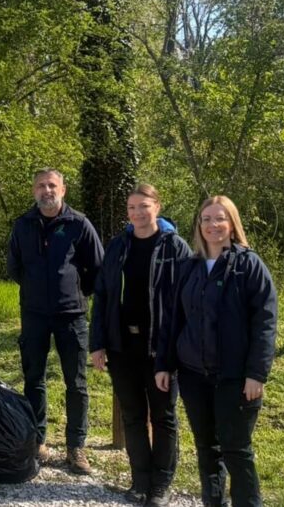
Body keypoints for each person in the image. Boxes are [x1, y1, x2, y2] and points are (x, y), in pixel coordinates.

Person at [155, 196, 278, 507]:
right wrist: (164, 365)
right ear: (199, 225)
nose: (212, 225)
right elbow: (173, 321)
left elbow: (265, 324)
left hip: (235, 378)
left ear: (232, 224)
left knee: (236, 449)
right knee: (206, 447)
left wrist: (256, 374)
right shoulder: (189, 267)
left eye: (220, 218)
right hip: (194, 375)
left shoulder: (249, 265)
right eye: (206, 219)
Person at [90, 184, 191, 506]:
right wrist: (98, 343)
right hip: (122, 347)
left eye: (143, 206)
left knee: (163, 417)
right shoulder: (118, 246)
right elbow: (103, 296)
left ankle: (161, 485)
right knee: (133, 416)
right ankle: (139, 480)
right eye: (131, 207)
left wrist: (178, 350)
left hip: (160, 349)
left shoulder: (175, 247)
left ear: (157, 208)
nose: (136, 213)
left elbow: (188, 302)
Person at [7, 168, 104, 474]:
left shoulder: (79, 224)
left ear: (63, 190)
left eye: (52, 185)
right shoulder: (23, 225)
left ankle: (76, 447)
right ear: (33, 191)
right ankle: (38, 443)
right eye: (40, 186)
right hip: (34, 314)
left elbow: (97, 268)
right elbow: (14, 268)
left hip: (71, 317)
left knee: (76, 382)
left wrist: (75, 293)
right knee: (34, 379)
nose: (46, 191)